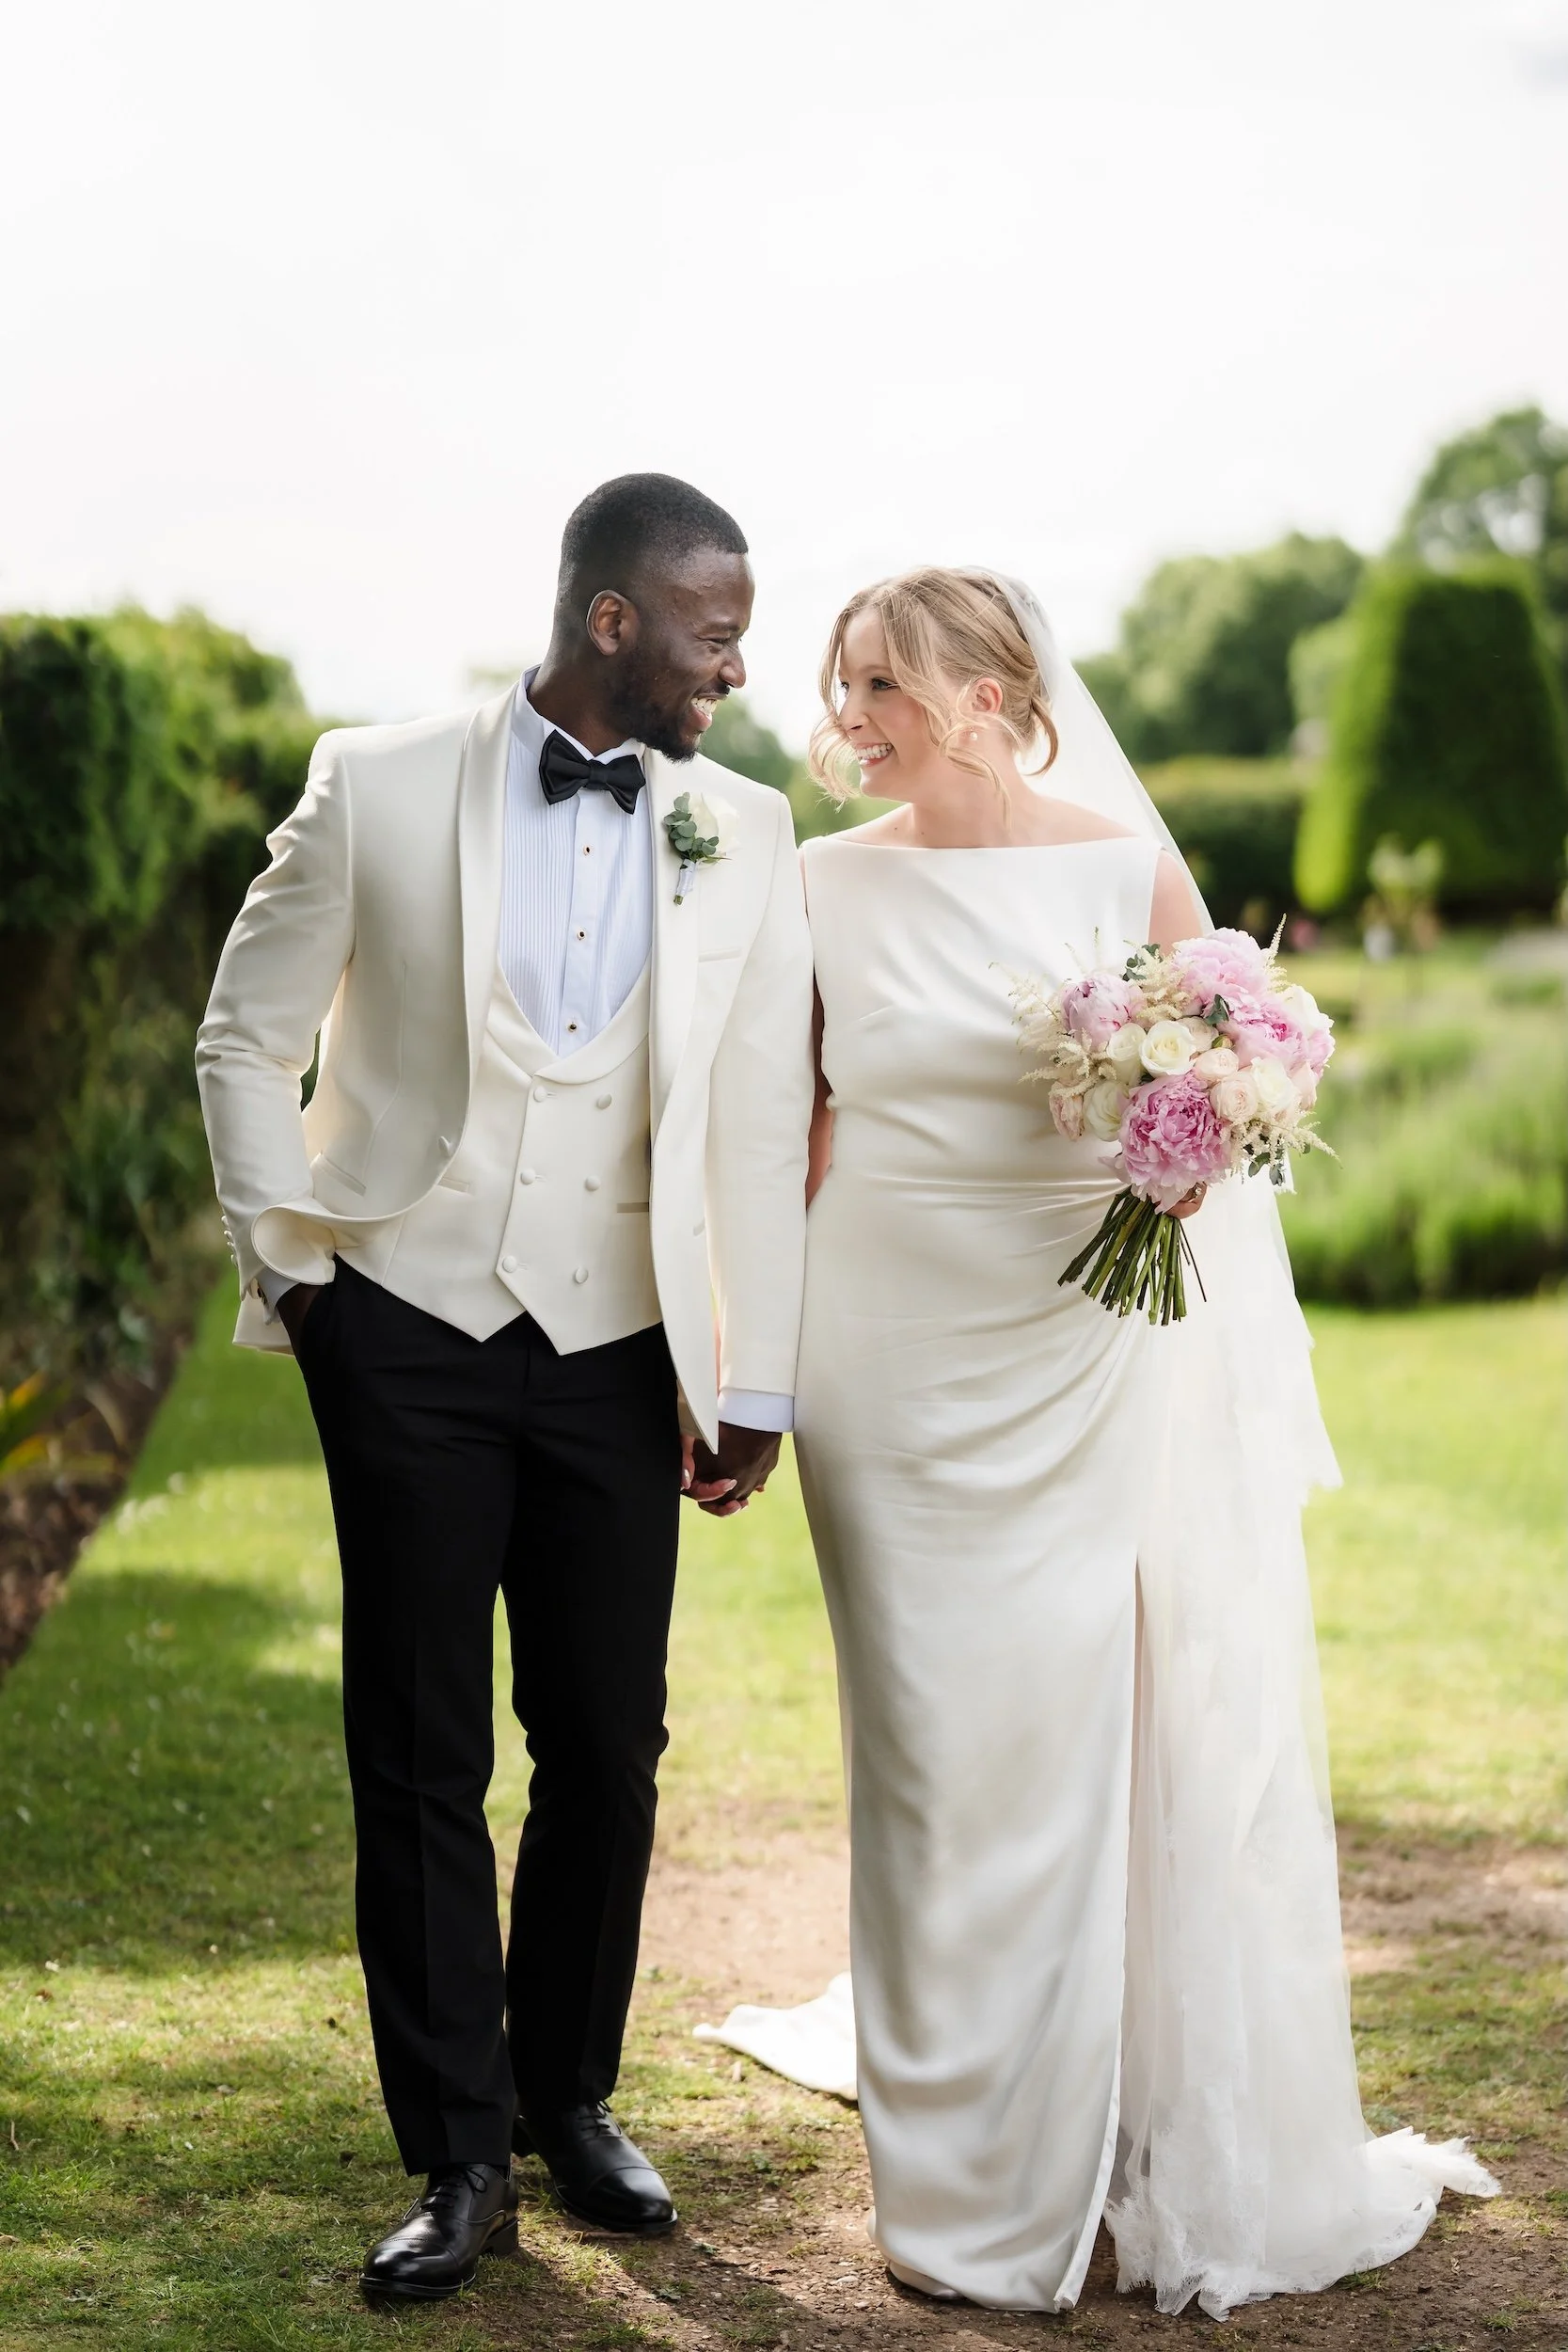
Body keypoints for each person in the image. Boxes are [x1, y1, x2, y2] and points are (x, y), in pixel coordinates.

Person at [723, 567, 1496, 2319]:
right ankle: (957, 2184)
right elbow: (788, 1126)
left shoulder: (1123, 868)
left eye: (879, 682)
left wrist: (1198, 1142)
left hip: (1080, 1344)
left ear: (987, 695)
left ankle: (1102, 2120)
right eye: (843, 682)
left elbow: (1227, 1076)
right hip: (884, 1350)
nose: (848, 715)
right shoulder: (819, 884)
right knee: (924, 1750)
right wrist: (743, 1365)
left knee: (1082, 1731)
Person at [196, 475, 814, 2302]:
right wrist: (294, 1274)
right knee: (419, 1749)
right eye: (712, 631)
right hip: (404, 1320)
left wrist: (755, 1370)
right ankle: (458, 2149)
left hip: (621, 1343)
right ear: (612, 618)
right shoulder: (376, 780)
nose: (735, 665)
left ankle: (569, 2092)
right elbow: (244, 1034)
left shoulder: (743, 825)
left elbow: (757, 1114)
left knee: (607, 1743)